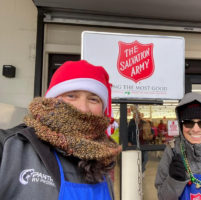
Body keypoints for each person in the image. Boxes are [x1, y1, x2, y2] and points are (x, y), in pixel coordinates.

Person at [0, 60, 122, 200]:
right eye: (71, 96)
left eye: (93, 99)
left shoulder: (103, 159)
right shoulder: (9, 147)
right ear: (51, 101)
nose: (83, 108)